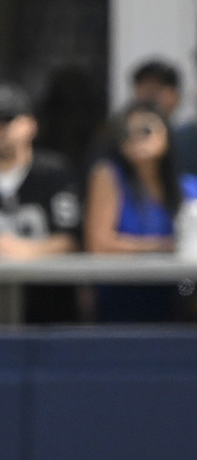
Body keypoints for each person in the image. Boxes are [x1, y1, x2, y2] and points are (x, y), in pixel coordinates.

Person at [0, 82, 82, 323]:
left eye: (8, 120)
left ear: (30, 125)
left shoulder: (54, 174)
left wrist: (25, 251)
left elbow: (72, 239)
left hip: (51, 306)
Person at [84, 101, 197, 322]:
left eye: (145, 130)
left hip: (177, 297)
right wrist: (163, 246)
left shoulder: (188, 188)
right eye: (127, 133)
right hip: (122, 296)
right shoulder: (108, 176)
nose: (135, 138)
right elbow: (100, 244)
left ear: (166, 133)